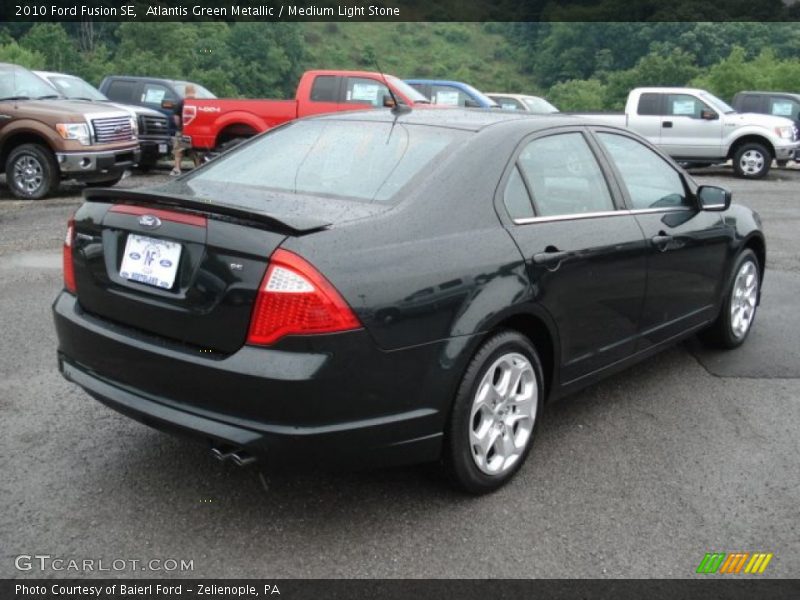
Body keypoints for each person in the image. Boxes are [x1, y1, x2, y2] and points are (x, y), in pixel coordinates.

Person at [170, 84, 201, 176]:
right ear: (194, 91)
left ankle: (177, 169)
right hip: (195, 131)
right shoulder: (198, 103)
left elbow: (176, 118)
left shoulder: (181, 103)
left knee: (179, 151)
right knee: (193, 151)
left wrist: (179, 127)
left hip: (183, 131)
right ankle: (198, 168)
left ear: (185, 91)